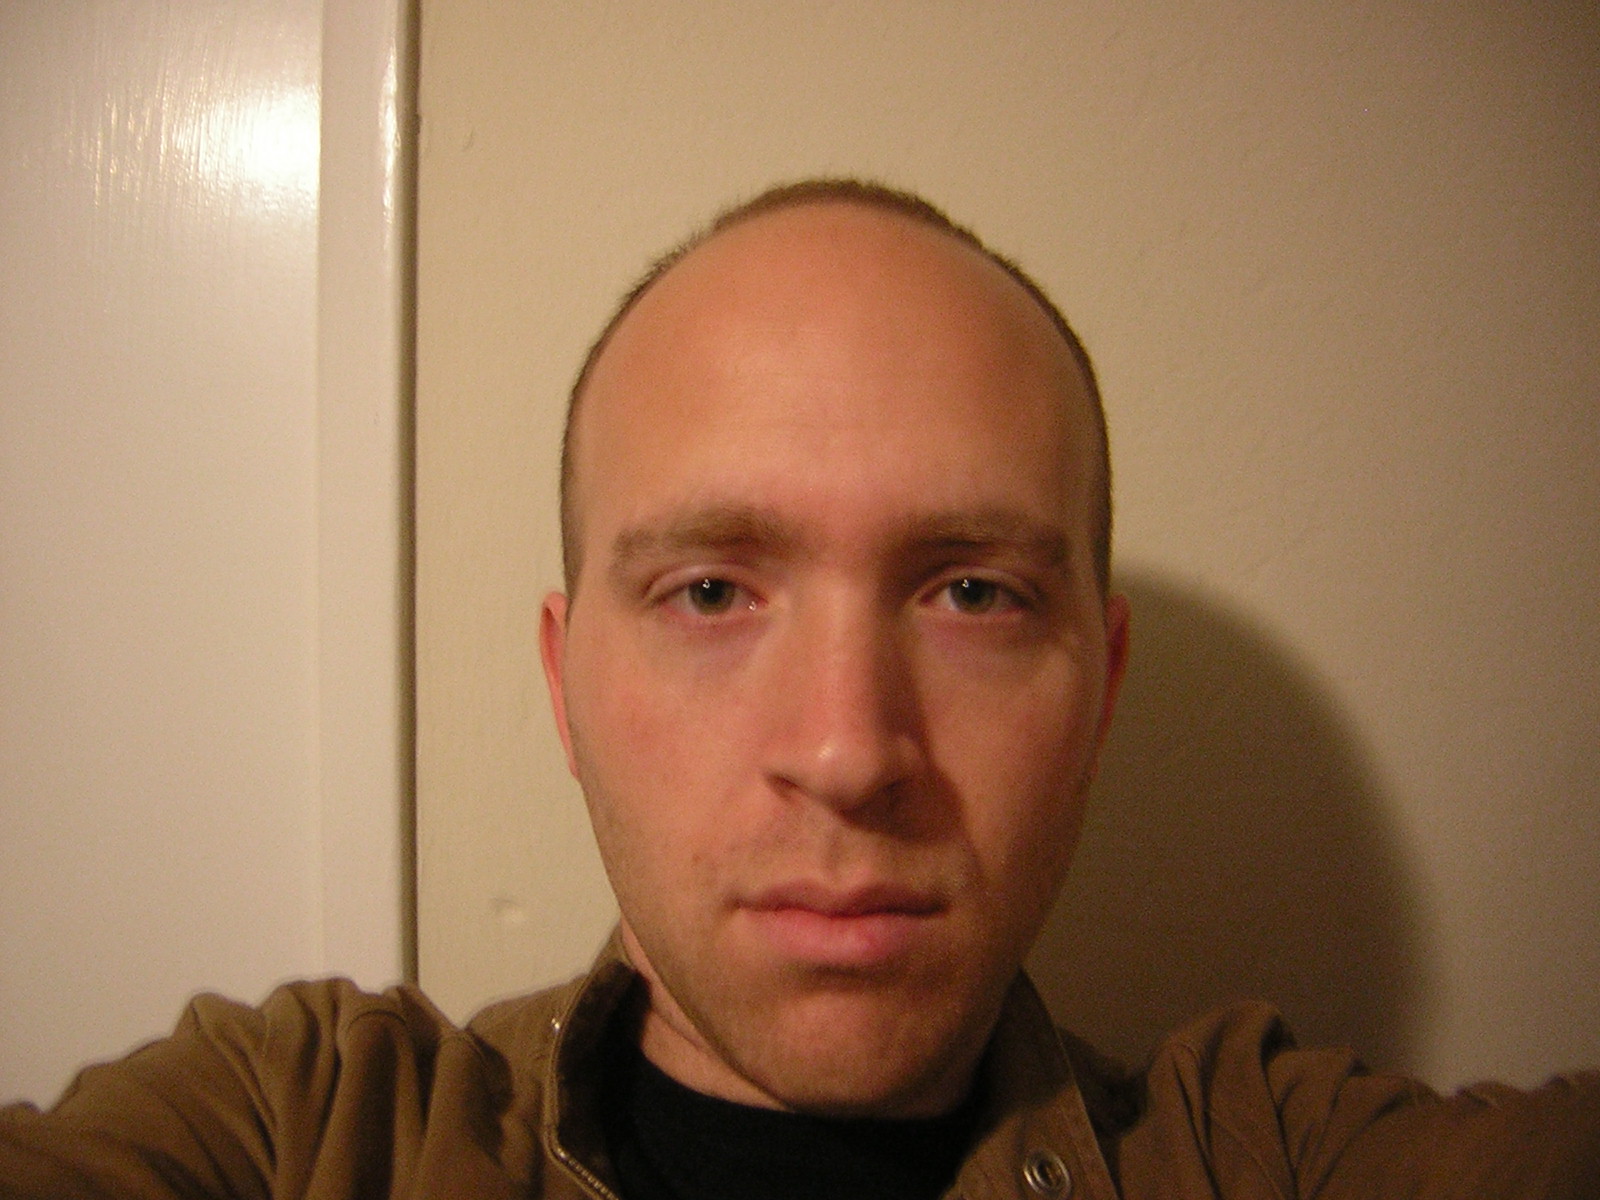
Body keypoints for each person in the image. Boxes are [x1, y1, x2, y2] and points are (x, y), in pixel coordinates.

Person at [2, 179, 1596, 1199]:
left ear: (1101, 690)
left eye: (973, 592)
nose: (846, 750)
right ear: (563, 685)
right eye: (710, 592)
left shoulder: (1266, 1160)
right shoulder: (305, 1134)